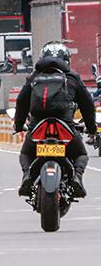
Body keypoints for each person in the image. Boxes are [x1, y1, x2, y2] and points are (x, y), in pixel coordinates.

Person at [14, 41, 96, 198]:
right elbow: (87, 105)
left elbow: (21, 102)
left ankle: (26, 177)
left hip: (38, 127)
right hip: (64, 127)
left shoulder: (34, 77)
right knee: (81, 154)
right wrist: (91, 129)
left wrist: (18, 126)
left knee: (26, 153)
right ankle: (77, 178)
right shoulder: (72, 77)